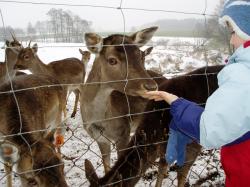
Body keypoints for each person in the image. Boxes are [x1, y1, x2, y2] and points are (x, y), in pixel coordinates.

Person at [145, 0, 250, 186]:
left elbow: (210, 129)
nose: (232, 40)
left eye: (234, 32)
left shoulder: (243, 74)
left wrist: (176, 103)